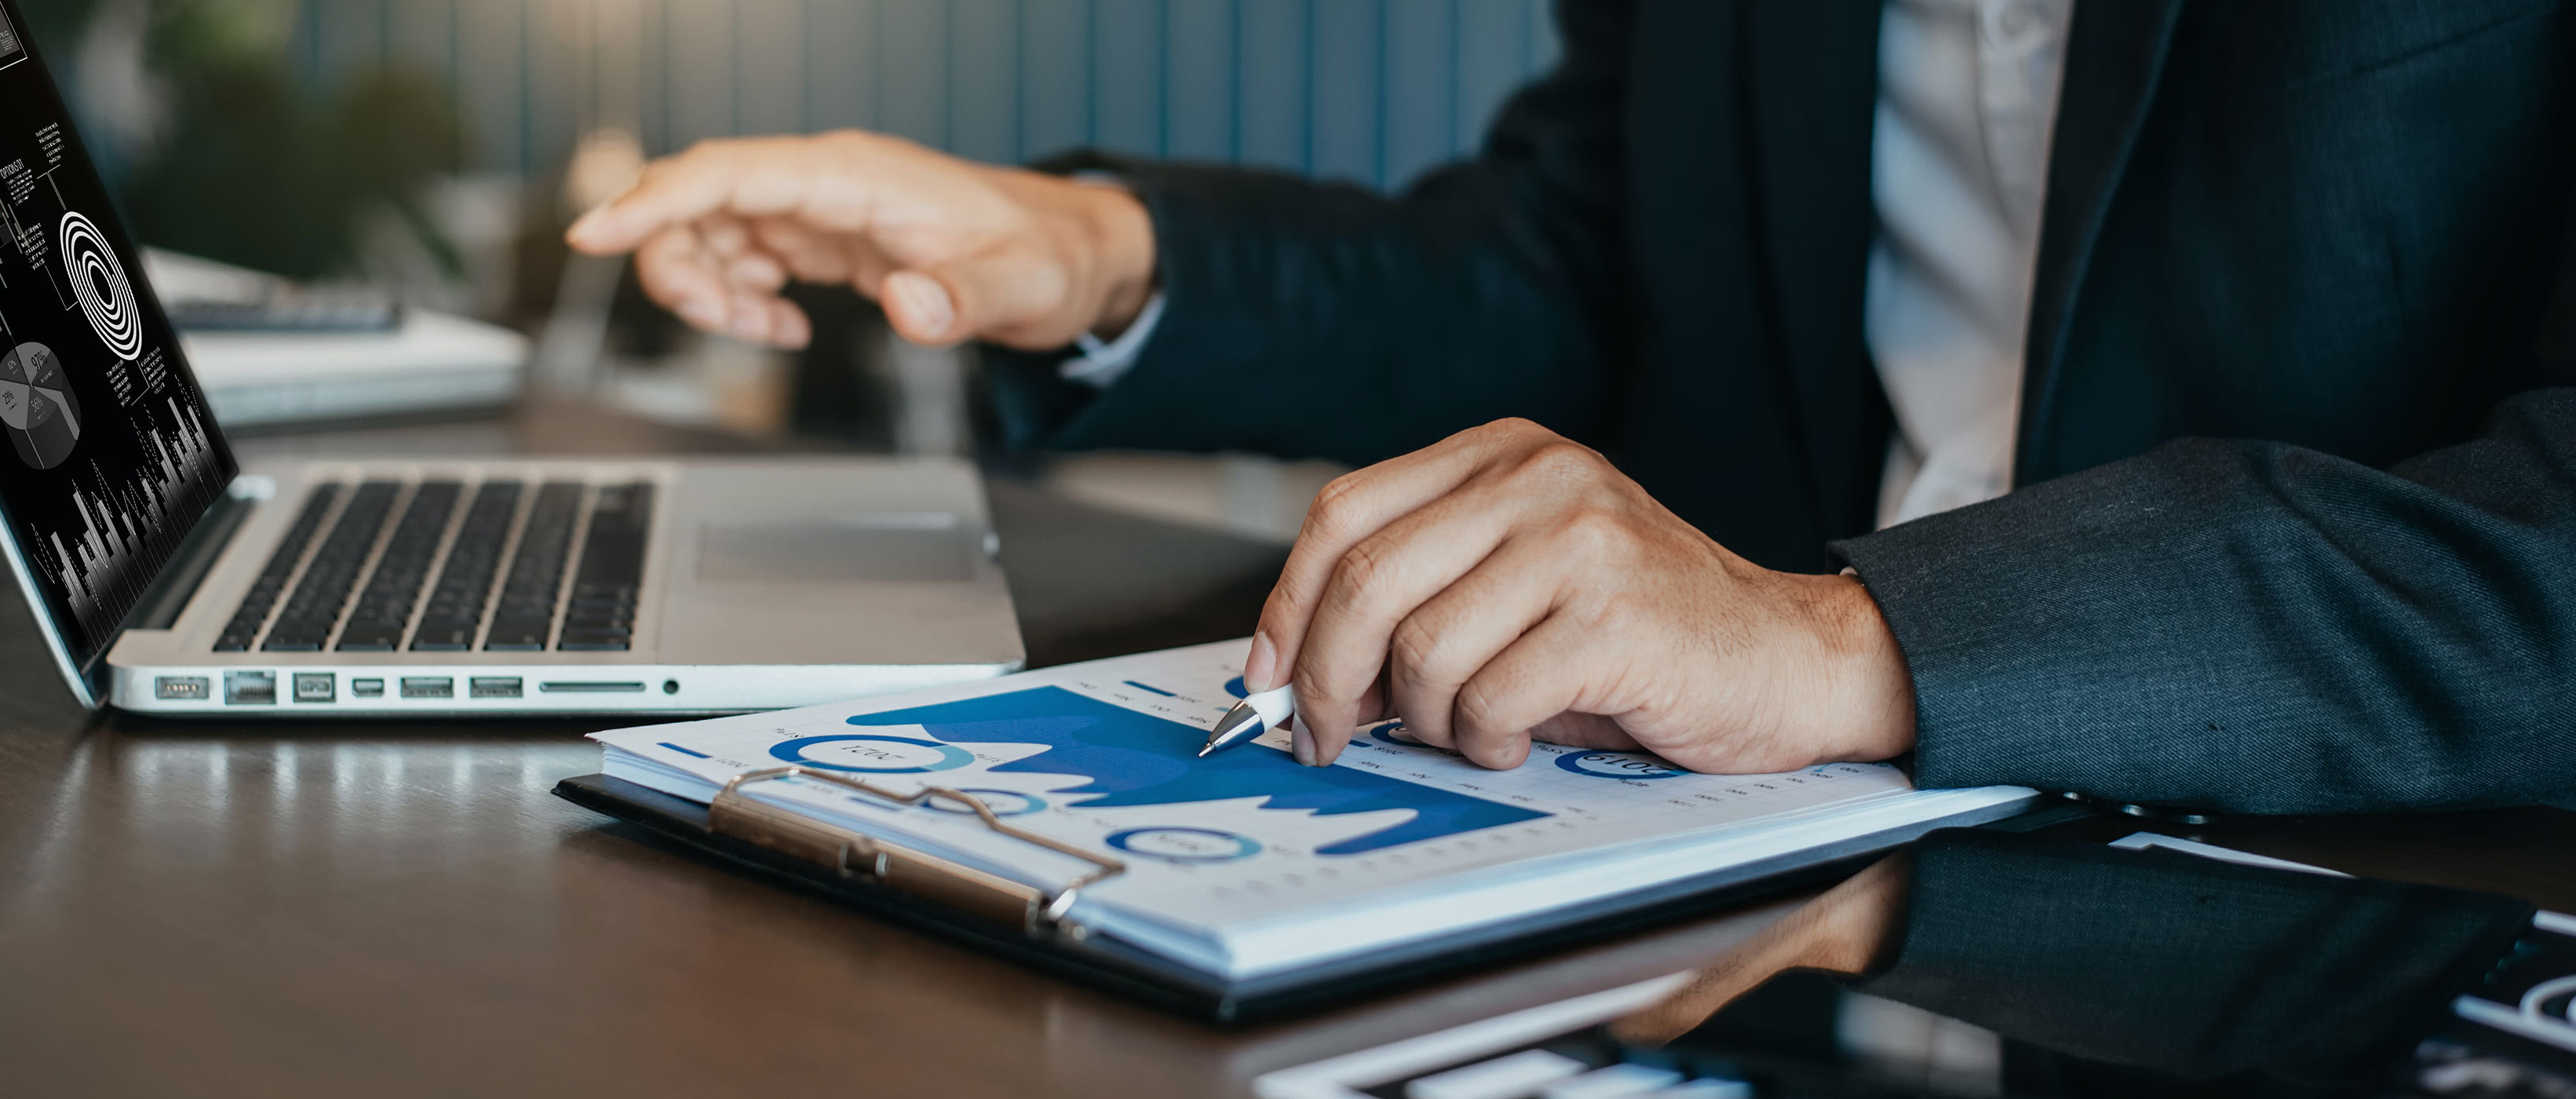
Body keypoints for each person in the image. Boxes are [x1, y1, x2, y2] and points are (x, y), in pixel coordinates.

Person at [568, 1, 2576, 815]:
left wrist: (1842, 634)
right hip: (1776, 893)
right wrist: (1094, 253)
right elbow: (1586, 257)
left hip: (2354, 891)